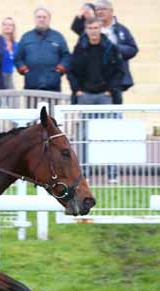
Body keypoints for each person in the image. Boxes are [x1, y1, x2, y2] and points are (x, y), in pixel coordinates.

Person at [68, 17, 124, 182]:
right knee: (84, 136)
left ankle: (112, 173)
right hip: (84, 96)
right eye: (90, 28)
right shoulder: (79, 48)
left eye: (95, 28)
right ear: (86, 30)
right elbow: (71, 71)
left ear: (101, 29)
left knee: (108, 135)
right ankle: (85, 172)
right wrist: (76, 90)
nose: (93, 31)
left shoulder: (110, 48)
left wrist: (110, 90)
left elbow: (119, 72)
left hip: (105, 97)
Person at [71, 0, 137, 103]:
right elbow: (76, 27)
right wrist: (82, 12)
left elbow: (133, 49)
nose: (100, 12)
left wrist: (114, 49)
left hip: (112, 82)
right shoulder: (91, 28)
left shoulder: (121, 30)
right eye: (97, 9)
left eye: (103, 9)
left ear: (111, 11)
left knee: (112, 114)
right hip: (89, 85)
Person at [15, 7, 70, 92]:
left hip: (53, 86)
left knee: (52, 106)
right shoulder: (26, 37)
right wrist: (25, 71)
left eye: (44, 17)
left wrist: (59, 71)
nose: (41, 19)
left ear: (49, 19)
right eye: (39, 17)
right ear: (35, 19)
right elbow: (18, 58)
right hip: (31, 86)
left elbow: (66, 56)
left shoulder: (58, 37)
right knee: (32, 106)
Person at [1, 17, 18, 89]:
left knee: (13, 98)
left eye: (10, 25)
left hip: (10, 75)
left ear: (13, 28)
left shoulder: (16, 44)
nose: (7, 26)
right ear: (2, 27)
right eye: (5, 24)